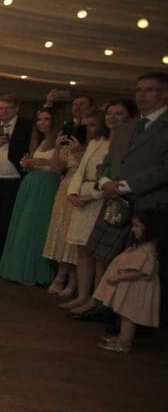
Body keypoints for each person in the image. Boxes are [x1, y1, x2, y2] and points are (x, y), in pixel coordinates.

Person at [73, 73, 168, 318]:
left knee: (137, 265)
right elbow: (107, 161)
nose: (142, 95)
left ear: (164, 94)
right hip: (115, 203)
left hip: (149, 205)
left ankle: (129, 319)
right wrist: (105, 181)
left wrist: (125, 185)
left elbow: (164, 168)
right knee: (107, 257)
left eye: (149, 90)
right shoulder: (126, 128)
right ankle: (102, 305)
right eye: (138, 89)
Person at [61, 104, 130, 312]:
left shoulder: (122, 144)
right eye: (109, 113)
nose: (112, 118)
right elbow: (81, 170)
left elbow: (116, 177)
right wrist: (72, 192)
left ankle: (96, 299)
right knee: (81, 250)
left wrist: (93, 195)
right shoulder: (95, 143)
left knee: (99, 253)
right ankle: (83, 295)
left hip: (101, 199)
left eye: (118, 114)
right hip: (83, 195)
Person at [0, 109, 60, 285]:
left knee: (38, 225)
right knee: (24, 224)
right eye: (39, 119)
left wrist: (42, 162)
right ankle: (20, 267)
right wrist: (28, 164)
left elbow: (57, 168)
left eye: (46, 119)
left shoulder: (59, 142)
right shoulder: (40, 141)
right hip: (32, 183)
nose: (42, 123)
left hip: (47, 184)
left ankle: (36, 270)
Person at [96, 211, 161, 353]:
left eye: (137, 226)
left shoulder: (147, 251)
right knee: (124, 314)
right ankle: (121, 337)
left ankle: (125, 342)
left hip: (137, 290)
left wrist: (118, 278)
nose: (133, 229)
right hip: (131, 288)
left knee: (128, 316)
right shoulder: (141, 247)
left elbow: (141, 271)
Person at [0, 94, 34, 263]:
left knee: (9, 217)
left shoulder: (27, 127)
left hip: (14, 179)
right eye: (0, 108)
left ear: (16, 109)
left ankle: (9, 253)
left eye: (6, 108)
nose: (3, 112)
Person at [42, 115, 86, 296]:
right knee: (62, 232)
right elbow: (54, 169)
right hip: (65, 188)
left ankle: (74, 281)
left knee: (76, 235)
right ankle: (60, 275)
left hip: (82, 188)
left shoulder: (91, 147)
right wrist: (58, 148)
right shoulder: (66, 148)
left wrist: (78, 151)